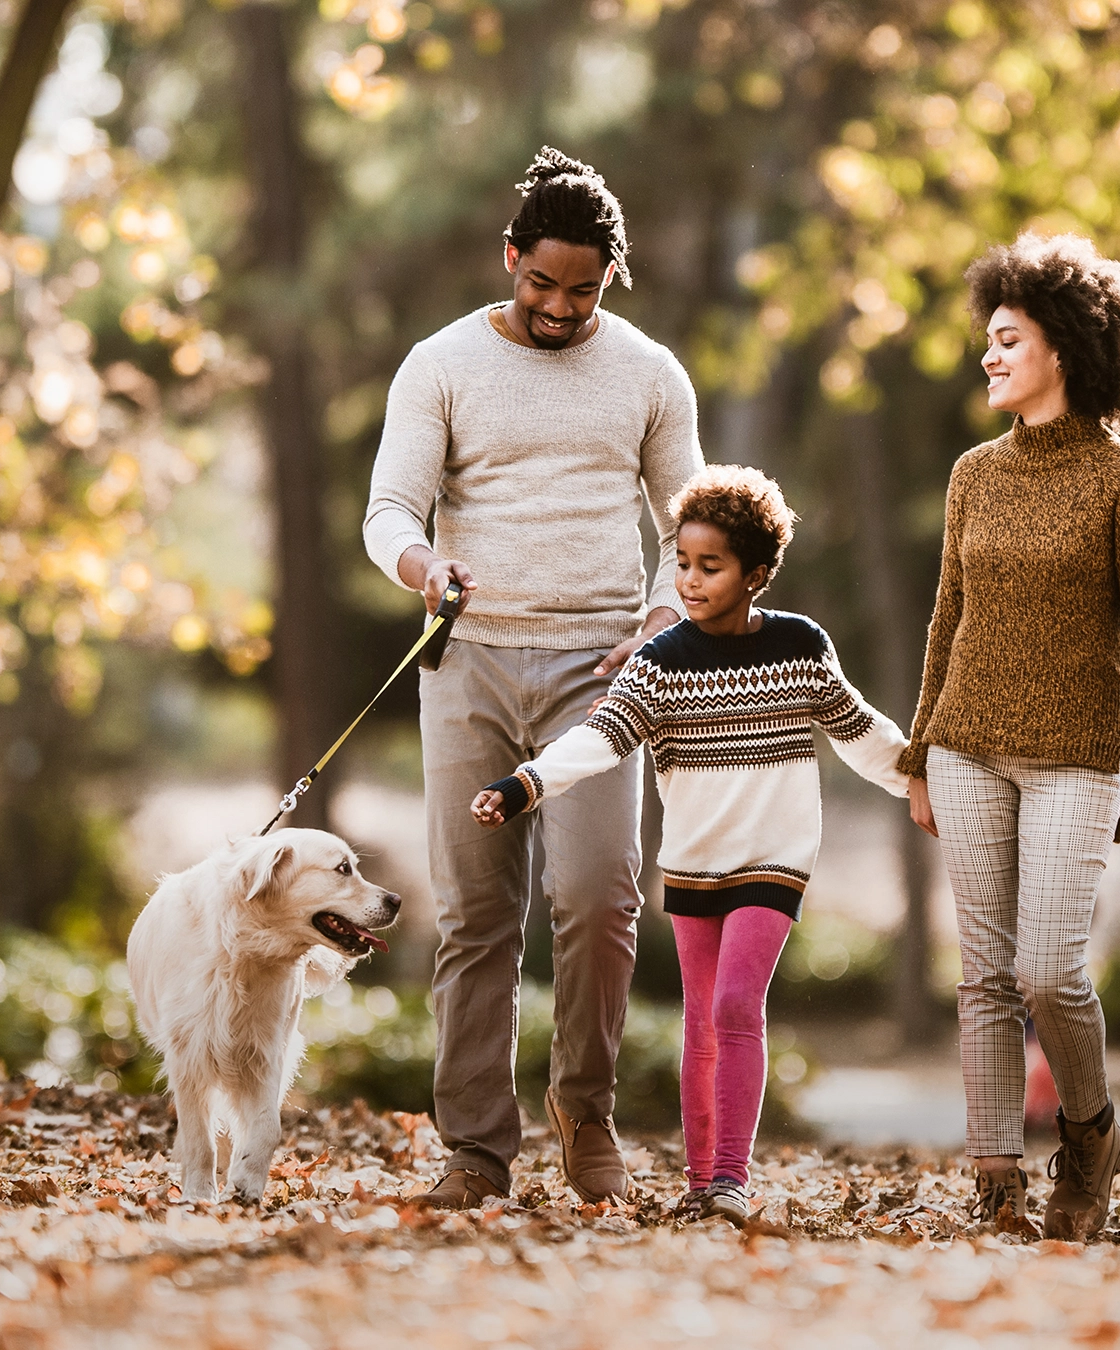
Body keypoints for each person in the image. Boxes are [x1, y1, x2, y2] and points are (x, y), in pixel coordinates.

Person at [362, 148, 704, 1208]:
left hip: (599, 677)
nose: (557, 307)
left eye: (581, 291)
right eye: (539, 283)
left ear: (612, 278)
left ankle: (586, 1109)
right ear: (508, 258)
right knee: (474, 912)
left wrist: (658, 619)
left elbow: (689, 525)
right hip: (467, 662)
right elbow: (387, 513)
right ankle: (474, 1146)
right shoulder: (441, 363)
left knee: (598, 898)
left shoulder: (648, 373)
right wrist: (426, 567)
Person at [470, 466, 912, 1225]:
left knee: (739, 1003)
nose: (691, 580)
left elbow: (861, 731)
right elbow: (600, 739)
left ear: (757, 574)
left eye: (711, 567)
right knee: (702, 1018)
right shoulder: (662, 661)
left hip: (773, 859)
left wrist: (925, 781)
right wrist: (525, 784)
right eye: (681, 563)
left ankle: (731, 1180)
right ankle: (702, 1184)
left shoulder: (800, 646)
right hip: (693, 862)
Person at [902, 233, 1120, 1241]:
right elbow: (946, 618)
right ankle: (994, 1185)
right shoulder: (972, 474)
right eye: (986, 340)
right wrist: (915, 754)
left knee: (1047, 973)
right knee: (981, 975)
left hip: (1075, 757)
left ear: (1062, 348)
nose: (986, 358)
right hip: (964, 746)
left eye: (1004, 340)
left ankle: (1088, 1131)